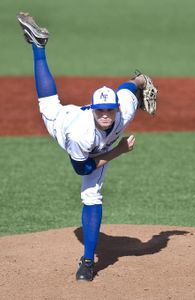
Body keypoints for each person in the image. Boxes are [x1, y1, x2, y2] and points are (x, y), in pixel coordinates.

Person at [17, 12, 156, 281]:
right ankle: (38, 46)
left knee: (92, 195)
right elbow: (83, 168)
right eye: (101, 110)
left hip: (96, 142)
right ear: (93, 109)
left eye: (110, 110)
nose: (106, 114)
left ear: (116, 109)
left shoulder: (124, 109)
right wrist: (119, 151)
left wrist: (141, 81)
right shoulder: (80, 135)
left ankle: (87, 261)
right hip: (66, 125)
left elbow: (128, 86)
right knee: (48, 105)